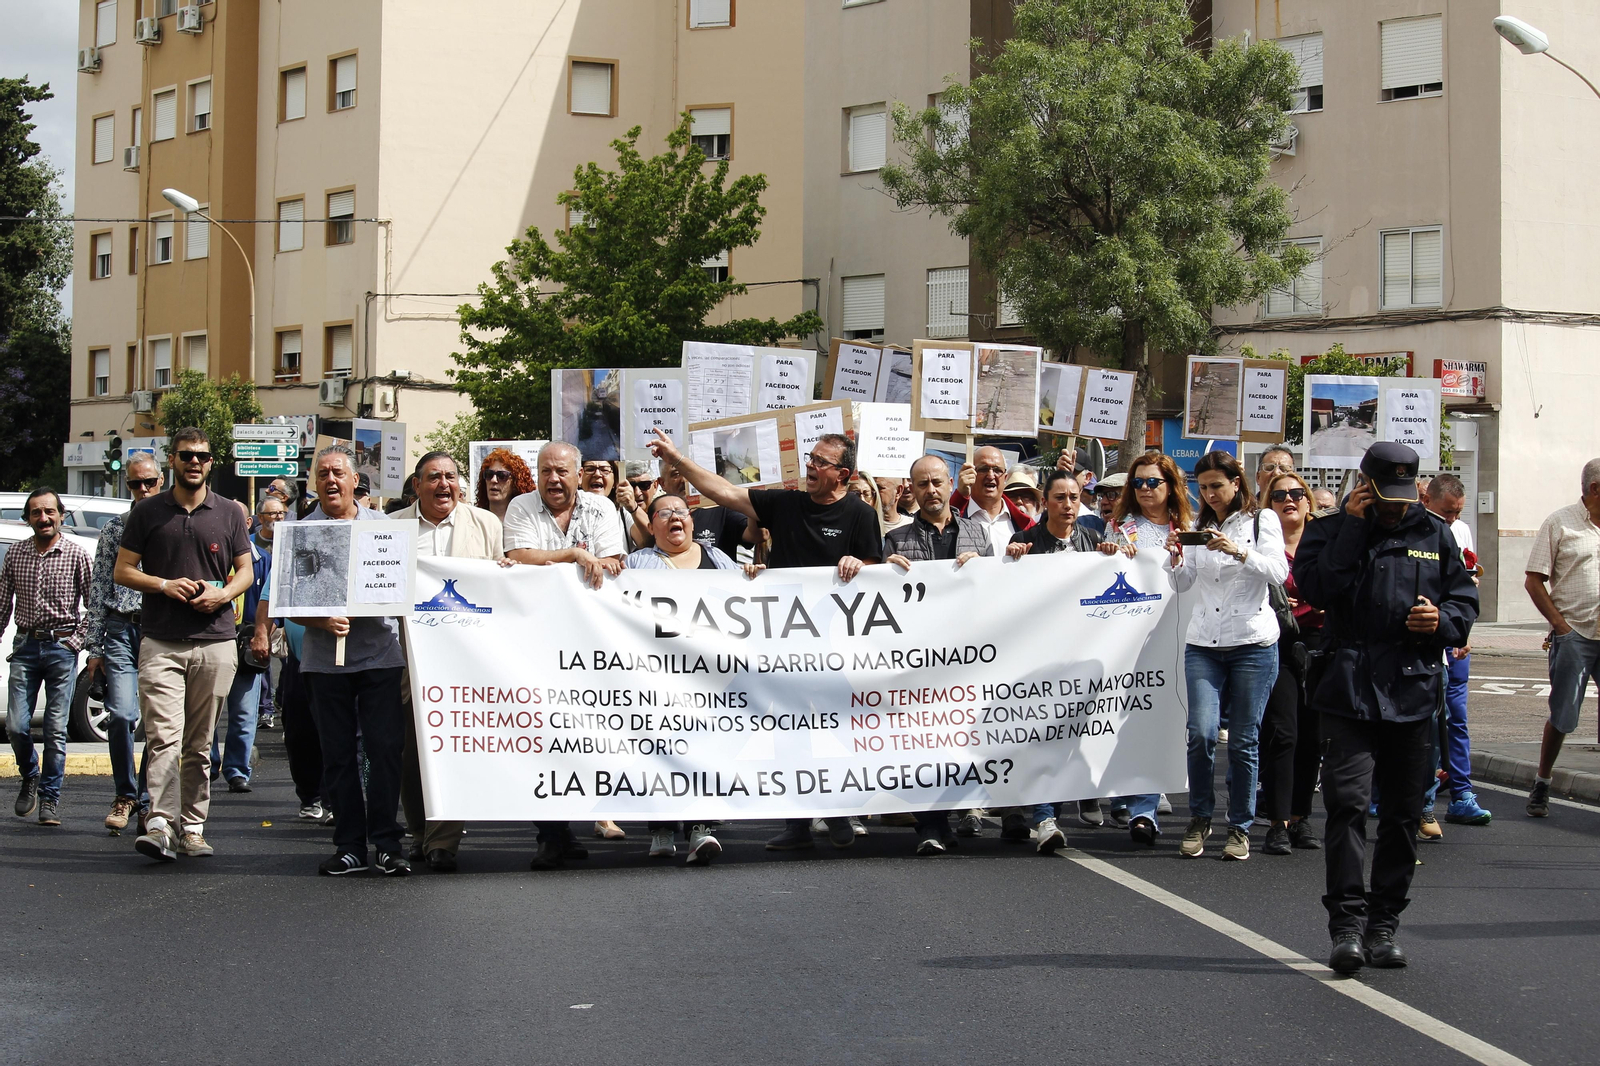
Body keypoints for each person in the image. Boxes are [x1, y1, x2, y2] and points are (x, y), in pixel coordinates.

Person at [648, 427, 882, 851]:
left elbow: (874, 569)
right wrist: (677, 460)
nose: (809, 465)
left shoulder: (860, 515)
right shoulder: (785, 503)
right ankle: (797, 824)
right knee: (788, 730)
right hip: (782, 644)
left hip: (835, 647)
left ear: (842, 474)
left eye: (820, 462)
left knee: (837, 727)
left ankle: (838, 808)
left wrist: (859, 562)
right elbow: (724, 491)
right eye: (810, 457)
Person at [1294, 441, 1478, 972]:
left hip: (1412, 688)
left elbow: (1464, 600)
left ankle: (1383, 925)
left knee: (1402, 815)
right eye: (1384, 494)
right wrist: (1352, 528)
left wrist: (1440, 622)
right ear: (1365, 484)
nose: (1395, 506)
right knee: (1348, 806)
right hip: (1348, 687)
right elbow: (1315, 587)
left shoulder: (1433, 532)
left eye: (1403, 494)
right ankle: (1346, 926)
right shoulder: (1331, 528)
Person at [115, 429, 253, 861]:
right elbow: (123, 570)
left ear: (212, 462)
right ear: (171, 459)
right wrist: (163, 584)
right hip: (161, 642)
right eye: (186, 455)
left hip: (215, 643)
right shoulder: (147, 512)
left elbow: (246, 571)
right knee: (162, 739)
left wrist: (224, 595)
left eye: (203, 456)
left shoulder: (229, 512)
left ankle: (192, 827)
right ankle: (159, 823)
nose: (195, 462)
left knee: (199, 744)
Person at [284, 444, 412, 877]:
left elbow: (402, 591)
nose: (331, 480)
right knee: (337, 755)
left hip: (379, 658)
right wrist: (320, 620)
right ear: (314, 483)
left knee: (384, 751)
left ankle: (387, 843)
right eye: (323, 474)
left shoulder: (385, 528)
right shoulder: (302, 531)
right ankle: (350, 845)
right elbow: (289, 600)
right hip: (325, 665)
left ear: (356, 480)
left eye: (339, 472)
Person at [505, 442, 626, 869]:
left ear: (577, 474)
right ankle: (552, 834)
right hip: (536, 640)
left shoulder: (602, 509)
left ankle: (596, 814)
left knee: (592, 734)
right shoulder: (521, 506)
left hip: (590, 643)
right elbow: (518, 558)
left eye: (560, 471)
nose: (553, 479)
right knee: (544, 738)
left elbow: (612, 561)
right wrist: (575, 555)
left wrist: (571, 563)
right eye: (545, 471)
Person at [883, 455, 1009, 855]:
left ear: (950, 482)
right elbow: (880, 601)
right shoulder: (897, 539)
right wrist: (883, 574)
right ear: (912, 489)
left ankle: (989, 809)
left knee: (969, 736)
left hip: (969, 657)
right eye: (922, 484)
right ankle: (931, 826)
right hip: (919, 660)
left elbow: (996, 593)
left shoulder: (977, 533)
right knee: (924, 740)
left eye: (937, 482)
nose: (931, 490)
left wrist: (983, 568)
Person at [387, 451, 506, 872]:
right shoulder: (391, 528)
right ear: (417, 485)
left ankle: (443, 840)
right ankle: (419, 832)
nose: (443, 484)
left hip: (462, 657)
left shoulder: (487, 524)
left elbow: (499, 586)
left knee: (449, 745)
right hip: (405, 655)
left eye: (451, 477)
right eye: (433, 477)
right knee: (408, 753)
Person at [1167, 451, 1287, 862]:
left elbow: (1278, 572)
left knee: (1243, 740)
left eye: (1217, 485)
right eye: (1202, 487)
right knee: (1200, 733)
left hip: (1252, 641)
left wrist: (1237, 551)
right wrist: (1176, 557)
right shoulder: (1197, 525)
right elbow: (1184, 584)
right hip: (1204, 643)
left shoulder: (1261, 521)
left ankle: (1240, 826)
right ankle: (1200, 816)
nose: (1210, 494)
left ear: (1237, 483)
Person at [622, 493, 748, 865]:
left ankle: (699, 828)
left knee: (703, 749)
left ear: (692, 522)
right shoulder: (637, 563)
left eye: (682, 513)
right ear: (652, 524)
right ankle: (660, 829)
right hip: (658, 679)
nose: (675, 518)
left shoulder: (719, 559)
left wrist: (752, 579)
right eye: (665, 513)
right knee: (659, 751)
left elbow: (743, 599)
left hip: (708, 679)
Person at [1095, 453, 1193, 838]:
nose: (1145, 489)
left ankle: (1147, 803)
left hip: (1177, 636)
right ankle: (1136, 804)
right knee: (1129, 717)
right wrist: (1109, 556)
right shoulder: (1120, 528)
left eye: (1153, 482)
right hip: (1127, 638)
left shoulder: (1188, 526)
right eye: (1138, 483)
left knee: (1163, 721)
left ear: (1170, 486)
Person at [2, 488, 93, 828]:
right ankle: (30, 774)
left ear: (60, 515)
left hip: (61, 649)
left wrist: (76, 642)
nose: (44, 518)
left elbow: (93, 605)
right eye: (36, 513)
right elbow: (2, 605)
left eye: (49, 512)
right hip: (25, 647)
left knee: (56, 729)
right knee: (16, 726)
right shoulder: (15, 555)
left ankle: (50, 799)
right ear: (27, 518)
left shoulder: (76, 554)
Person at [84, 456, 162, 832]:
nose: (143, 490)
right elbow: (99, 587)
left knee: (154, 721)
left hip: (158, 629)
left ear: (161, 481)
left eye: (149, 482)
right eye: (135, 484)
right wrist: (93, 647)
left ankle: (146, 801)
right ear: (127, 486)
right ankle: (125, 795)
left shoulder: (169, 524)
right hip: (119, 629)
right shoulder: (115, 529)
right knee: (122, 715)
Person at [1522, 456, 1600, 818]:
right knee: (1564, 714)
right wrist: (1560, 626)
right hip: (1575, 633)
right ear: (1595, 490)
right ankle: (1542, 781)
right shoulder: (1560, 522)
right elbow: (1534, 579)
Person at [1417, 473, 1491, 829]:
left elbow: (1465, 589)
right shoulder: (1417, 528)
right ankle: (1395, 796)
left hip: (1453, 640)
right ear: (1427, 501)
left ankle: (1461, 794)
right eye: (1447, 511)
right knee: (1425, 722)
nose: (1452, 519)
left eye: (1458, 513)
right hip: (1424, 637)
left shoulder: (1458, 531)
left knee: (1454, 718)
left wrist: (1462, 631)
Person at [1255, 472, 1321, 855]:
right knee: (1284, 733)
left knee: (1312, 737)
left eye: (1297, 493)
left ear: (1308, 501)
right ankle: (1277, 822)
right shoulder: (1262, 544)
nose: (1289, 500)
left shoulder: (1323, 543)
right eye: (1279, 495)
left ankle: (1301, 818)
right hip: (1276, 642)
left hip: (1317, 644)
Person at [208, 495, 277, 794]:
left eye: (236, 518)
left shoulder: (263, 561)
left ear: (248, 523)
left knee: (244, 711)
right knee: (207, 709)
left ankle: (236, 770)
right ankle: (207, 764)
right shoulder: (209, 553)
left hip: (246, 643)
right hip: (213, 640)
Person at [952, 446, 1035, 557]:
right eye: (983, 469)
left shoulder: (1025, 525)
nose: (990, 475)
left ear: (1005, 478)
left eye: (997, 470)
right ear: (971, 474)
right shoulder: (954, 519)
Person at [1007, 470, 1103, 557]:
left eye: (1073, 498)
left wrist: (1110, 554)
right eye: (1060, 498)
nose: (1068, 505)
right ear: (1045, 502)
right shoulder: (1024, 540)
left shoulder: (1093, 539)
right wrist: (1011, 559)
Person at [474, 448, 535, 525]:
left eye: (502, 476)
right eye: (489, 474)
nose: (494, 480)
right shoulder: (474, 520)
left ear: (515, 483)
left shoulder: (526, 521)